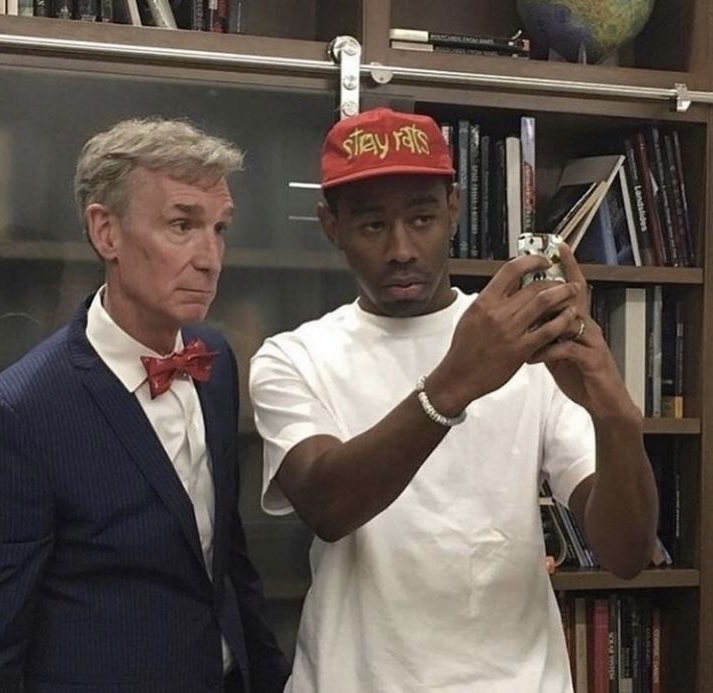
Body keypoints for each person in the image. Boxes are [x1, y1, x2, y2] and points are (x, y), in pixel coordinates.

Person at [249, 107, 658, 692]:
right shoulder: (293, 357)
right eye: (371, 226)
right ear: (330, 226)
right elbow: (328, 507)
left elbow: (624, 554)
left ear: (455, 209)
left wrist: (617, 418)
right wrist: (456, 382)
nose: (401, 249)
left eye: (421, 218)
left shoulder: (528, 339)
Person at [0, 117, 289, 693]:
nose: (210, 257)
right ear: (107, 233)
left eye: (219, 229)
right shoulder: (19, 413)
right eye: (181, 225)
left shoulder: (215, 359)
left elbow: (227, 558)